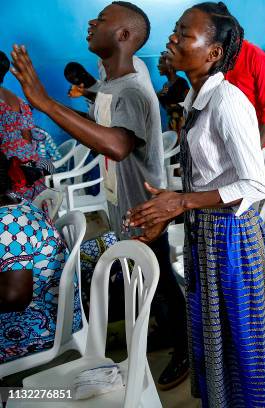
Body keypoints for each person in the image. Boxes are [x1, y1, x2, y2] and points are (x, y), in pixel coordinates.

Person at [10, 1, 189, 389]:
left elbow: (117, 145)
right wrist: (87, 103)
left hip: (145, 202)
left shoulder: (135, 91)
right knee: (146, 276)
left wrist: (44, 102)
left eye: (103, 19)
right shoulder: (109, 85)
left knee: (158, 277)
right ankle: (163, 326)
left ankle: (185, 345)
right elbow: (102, 126)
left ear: (124, 35)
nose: (92, 22)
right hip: (119, 199)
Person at [127, 3, 265, 405]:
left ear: (214, 53)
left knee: (240, 337)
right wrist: (171, 210)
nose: (173, 39)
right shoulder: (195, 99)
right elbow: (206, 177)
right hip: (208, 232)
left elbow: (254, 182)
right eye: (176, 31)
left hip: (233, 240)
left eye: (184, 33)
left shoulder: (228, 102)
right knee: (215, 334)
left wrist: (181, 202)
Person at [0, 151, 82, 364]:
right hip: (47, 311)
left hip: (40, 325)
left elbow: (14, 297)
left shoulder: (8, 223)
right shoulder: (14, 203)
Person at [224, 20, 265, 179]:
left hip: (263, 140)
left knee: (259, 196)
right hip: (237, 141)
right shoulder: (220, 58)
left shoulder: (256, 57)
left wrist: (252, 154)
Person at [0, 51, 46, 201]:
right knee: (32, 208)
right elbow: (27, 137)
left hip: (8, 166)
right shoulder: (17, 99)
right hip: (29, 160)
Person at [157, 52, 190, 133]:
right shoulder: (165, 85)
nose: (158, 66)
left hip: (182, 126)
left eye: (161, 62)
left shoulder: (181, 83)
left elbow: (189, 104)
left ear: (170, 66)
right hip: (171, 125)